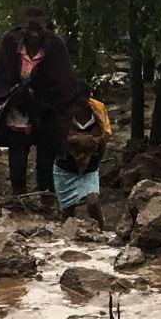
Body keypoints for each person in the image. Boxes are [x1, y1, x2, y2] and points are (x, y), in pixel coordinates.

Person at [0, 5, 81, 204]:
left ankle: (47, 202)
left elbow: (65, 82)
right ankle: (19, 200)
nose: (34, 32)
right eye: (29, 27)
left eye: (39, 27)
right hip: (17, 112)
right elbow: (1, 76)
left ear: (45, 25)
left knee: (45, 164)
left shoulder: (55, 45)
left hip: (47, 113)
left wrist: (43, 99)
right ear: (22, 25)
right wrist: (12, 95)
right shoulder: (10, 43)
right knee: (17, 160)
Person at [54, 82, 112, 227]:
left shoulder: (98, 110)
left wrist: (91, 141)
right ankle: (67, 239)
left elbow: (106, 134)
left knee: (93, 201)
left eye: (80, 103)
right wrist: (76, 140)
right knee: (68, 211)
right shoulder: (61, 111)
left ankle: (101, 232)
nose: (76, 108)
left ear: (87, 101)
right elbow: (54, 136)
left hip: (90, 167)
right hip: (65, 168)